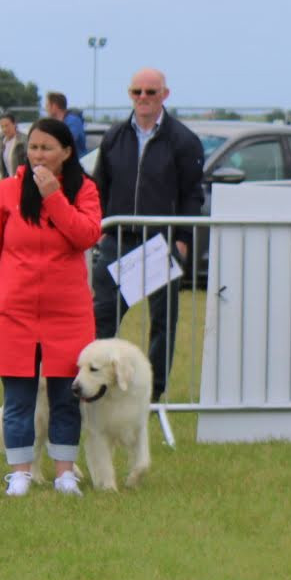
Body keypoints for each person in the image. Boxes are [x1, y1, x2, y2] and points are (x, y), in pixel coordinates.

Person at [0, 117, 103, 496]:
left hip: (68, 312)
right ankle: (20, 473)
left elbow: (86, 235)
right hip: (15, 309)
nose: (38, 155)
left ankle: (65, 474)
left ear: (67, 152)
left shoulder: (85, 190)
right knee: (18, 399)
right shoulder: (7, 190)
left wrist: (54, 198)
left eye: (47, 148)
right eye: (33, 147)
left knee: (65, 398)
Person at [92, 66, 206, 401]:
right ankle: (97, 386)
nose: (143, 97)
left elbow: (192, 195)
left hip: (161, 243)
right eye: (136, 91)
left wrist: (182, 239)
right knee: (102, 316)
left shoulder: (184, 141)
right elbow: (99, 186)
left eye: (150, 92)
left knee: (162, 322)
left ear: (164, 95)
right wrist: (99, 229)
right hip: (117, 239)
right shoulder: (114, 137)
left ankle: (152, 394)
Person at [44, 91, 86, 158]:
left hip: (78, 161)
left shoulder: (74, 121)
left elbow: (66, 142)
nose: (46, 108)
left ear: (54, 106)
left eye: (47, 105)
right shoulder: (52, 123)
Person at [0, 112, 27, 177]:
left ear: (14, 124)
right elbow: (2, 167)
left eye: (7, 125)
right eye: (2, 127)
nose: (4, 129)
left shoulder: (23, 140)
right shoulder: (2, 141)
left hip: (21, 179)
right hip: (9, 180)